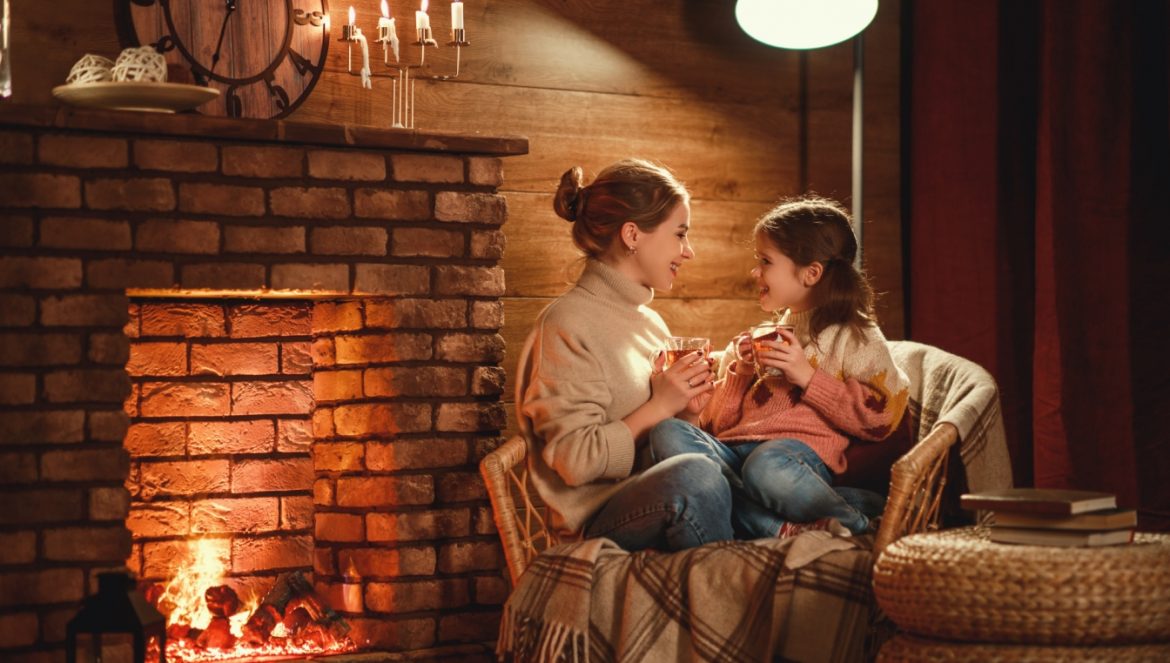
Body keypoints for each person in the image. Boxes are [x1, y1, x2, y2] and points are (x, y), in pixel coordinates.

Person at [650, 195, 910, 538]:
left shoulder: (854, 334)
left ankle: (854, 523)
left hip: (791, 459)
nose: (755, 271)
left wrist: (807, 377)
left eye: (765, 261)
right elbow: (718, 426)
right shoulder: (768, 335)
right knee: (667, 433)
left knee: (765, 466)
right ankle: (783, 529)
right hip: (737, 456)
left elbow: (882, 416)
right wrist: (740, 372)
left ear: (811, 273)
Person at [515, 158, 734, 552]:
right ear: (632, 234)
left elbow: (663, 442)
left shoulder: (651, 323)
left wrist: (687, 412)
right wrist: (660, 405)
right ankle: (734, 574)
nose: (688, 252)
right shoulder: (566, 324)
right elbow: (575, 461)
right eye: (680, 234)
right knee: (695, 477)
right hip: (596, 524)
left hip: (658, 501)